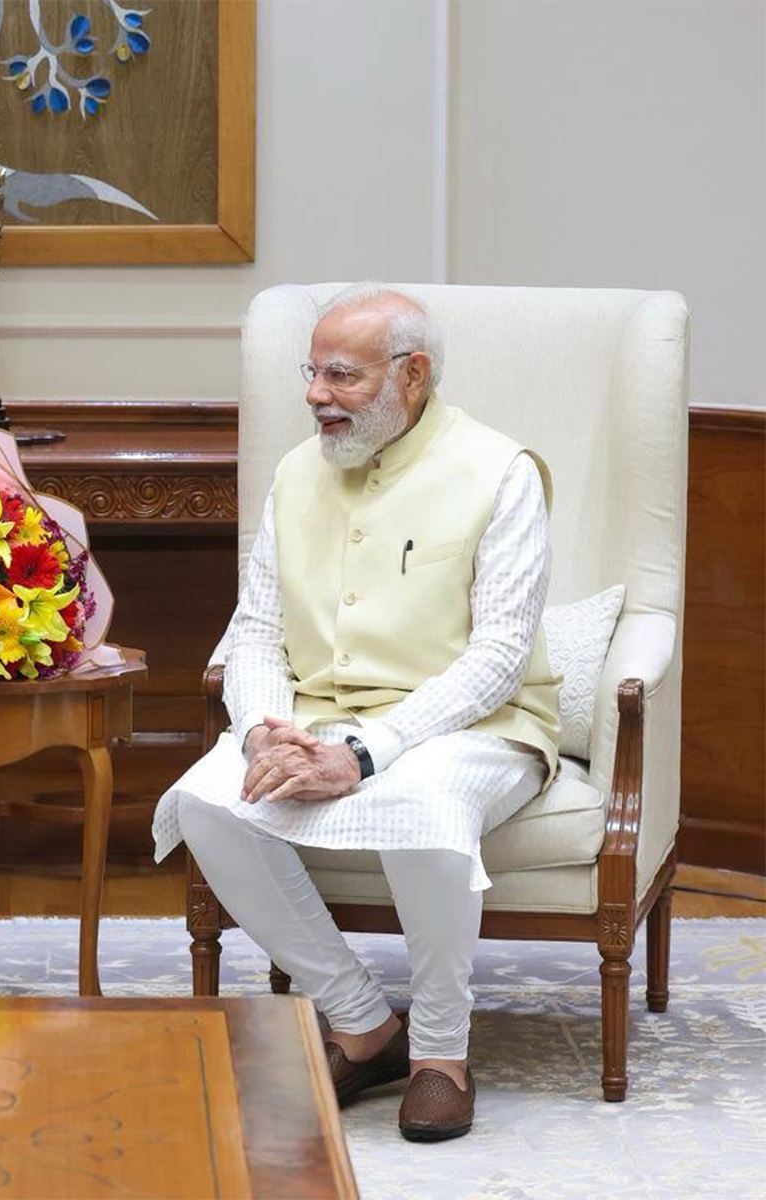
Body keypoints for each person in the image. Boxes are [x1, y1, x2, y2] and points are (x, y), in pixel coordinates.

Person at [154, 285, 561, 1141]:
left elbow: (496, 659)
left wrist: (367, 752)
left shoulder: (502, 473)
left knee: (423, 804)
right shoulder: (296, 473)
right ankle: (364, 1024)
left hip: (471, 726)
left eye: (341, 376)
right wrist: (265, 732)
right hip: (314, 717)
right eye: (311, 373)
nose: (315, 395)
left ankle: (441, 1054)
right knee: (205, 801)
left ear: (412, 376)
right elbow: (256, 629)